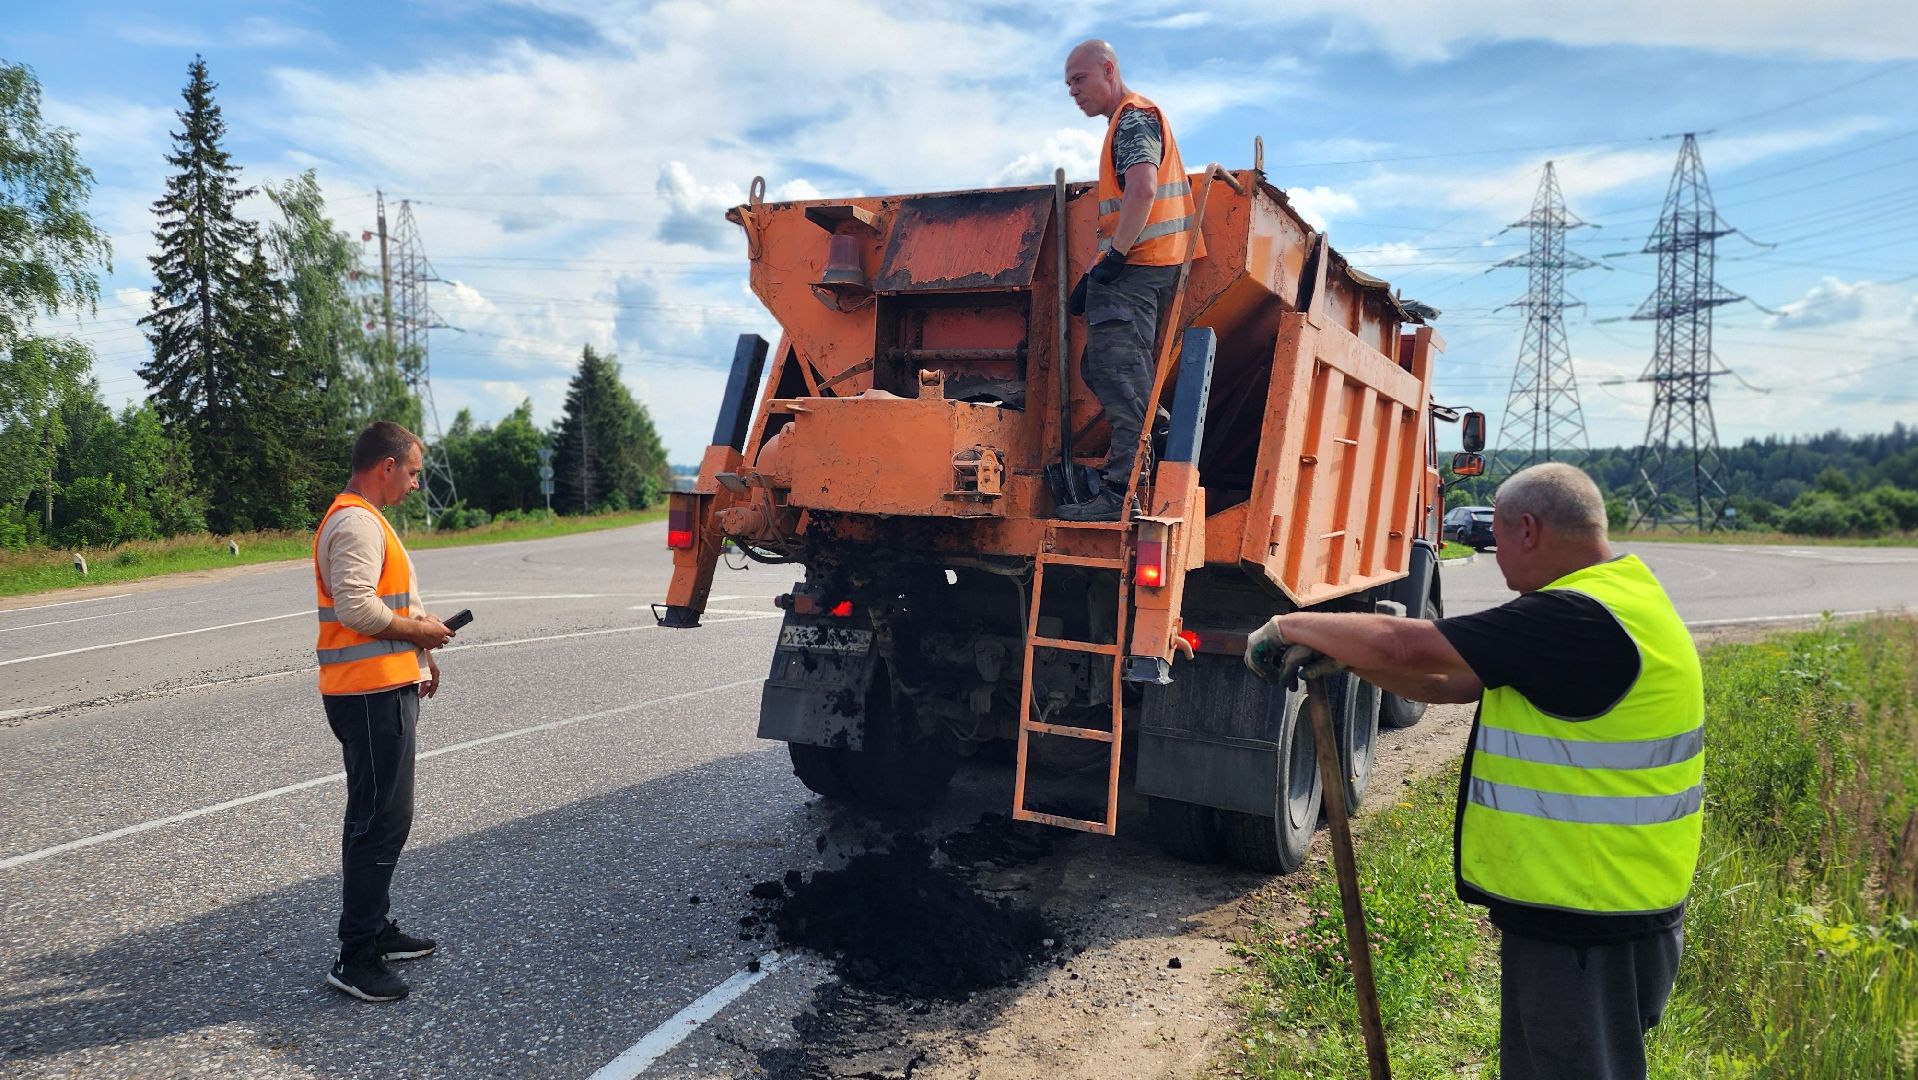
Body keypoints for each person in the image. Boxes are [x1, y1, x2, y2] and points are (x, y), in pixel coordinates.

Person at [1246, 463, 1703, 1080]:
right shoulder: (1617, 603)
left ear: (1527, 530)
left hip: (1589, 924)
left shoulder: (1574, 619)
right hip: (1592, 911)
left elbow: (1415, 646)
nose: (1498, 563)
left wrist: (1289, 626)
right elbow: (1452, 682)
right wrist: (1345, 660)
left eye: (1498, 544)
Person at [314, 421, 456, 1002]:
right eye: (414, 471)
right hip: (368, 694)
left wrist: (419, 649)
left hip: (382, 686)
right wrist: (417, 629)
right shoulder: (354, 521)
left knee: (383, 817)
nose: (417, 483)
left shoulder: (365, 519)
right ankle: (356, 955)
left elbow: (381, 609)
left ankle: (375, 930)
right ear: (386, 466)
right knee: (379, 821)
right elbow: (356, 608)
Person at [1056, 38, 1204, 522]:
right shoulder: (1129, 119)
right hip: (1139, 267)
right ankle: (1154, 424)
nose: (1073, 91)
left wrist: (1115, 258)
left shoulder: (1134, 117)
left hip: (1138, 270)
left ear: (1109, 69)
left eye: (1079, 79)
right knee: (1100, 367)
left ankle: (1121, 494)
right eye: (1068, 84)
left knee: (1120, 380)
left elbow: (1142, 187)